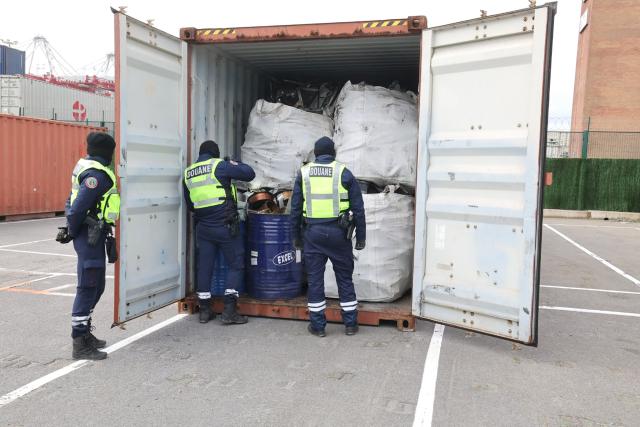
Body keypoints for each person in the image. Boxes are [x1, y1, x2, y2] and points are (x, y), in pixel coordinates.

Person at [290, 136, 366, 337]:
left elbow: (295, 208)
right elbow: (358, 208)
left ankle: (318, 326)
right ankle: (350, 324)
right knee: (344, 277)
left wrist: (296, 236)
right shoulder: (343, 172)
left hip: (312, 234)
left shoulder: (303, 174)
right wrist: (361, 237)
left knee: (315, 280)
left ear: (316, 153)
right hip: (339, 235)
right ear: (333, 153)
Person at [62, 132, 120, 360]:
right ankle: (80, 342)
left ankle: (85, 332)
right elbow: (77, 208)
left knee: (97, 287)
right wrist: (72, 229)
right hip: (89, 235)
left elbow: (71, 199)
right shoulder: (96, 175)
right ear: (108, 151)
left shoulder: (88, 168)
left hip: (93, 235)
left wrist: (71, 226)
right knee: (88, 286)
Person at [183, 140, 255, 324]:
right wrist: (235, 163)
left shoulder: (188, 173)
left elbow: (191, 204)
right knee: (236, 264)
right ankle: (229, 311)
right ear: (215, 153)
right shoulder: (220, 166)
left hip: (203, 228)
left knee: (205, 267)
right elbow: (249, 174)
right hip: (225, 226)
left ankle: (205, 311)